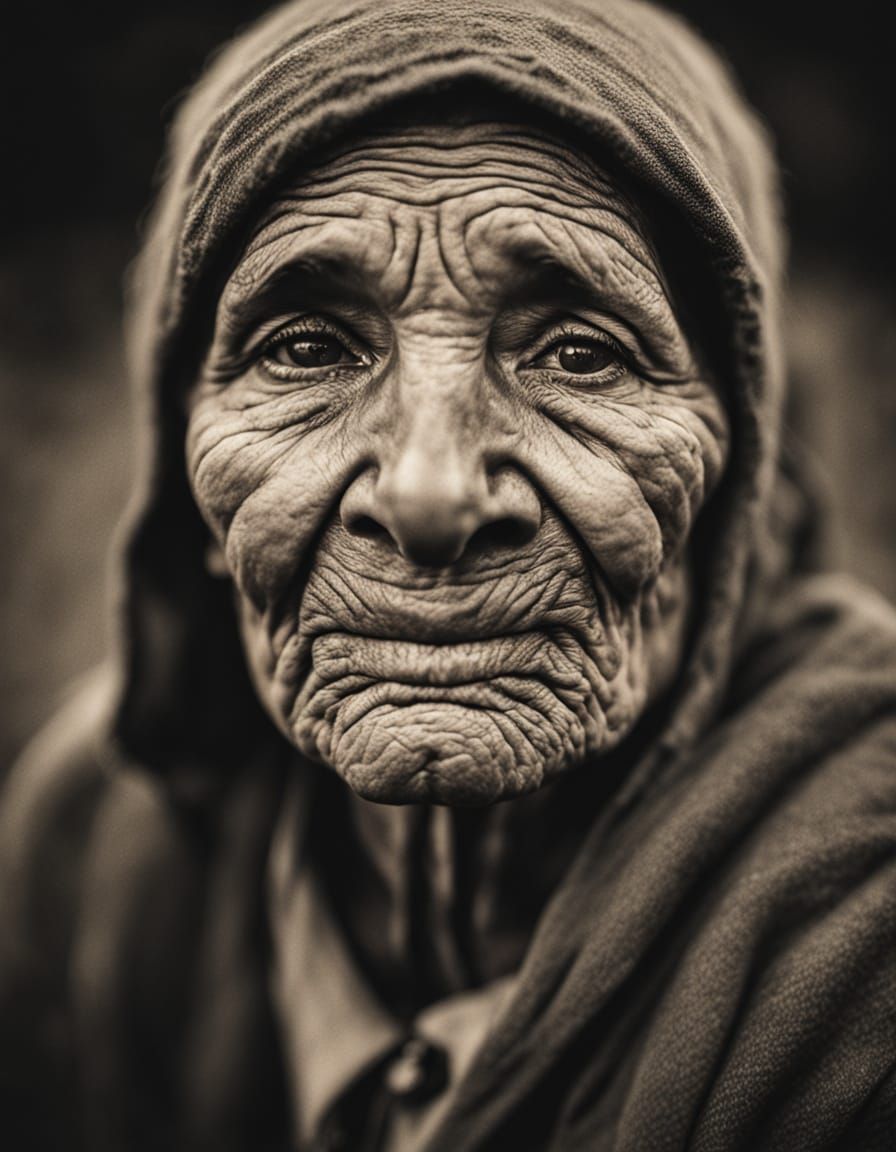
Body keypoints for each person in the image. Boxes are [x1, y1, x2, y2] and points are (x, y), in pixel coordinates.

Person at [3, 0, 896, 1149]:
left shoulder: (862, 951)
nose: (429, 493)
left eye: (579, 353)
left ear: (737, 473)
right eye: (307, 348)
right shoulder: (101, 850)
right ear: (186, 477)